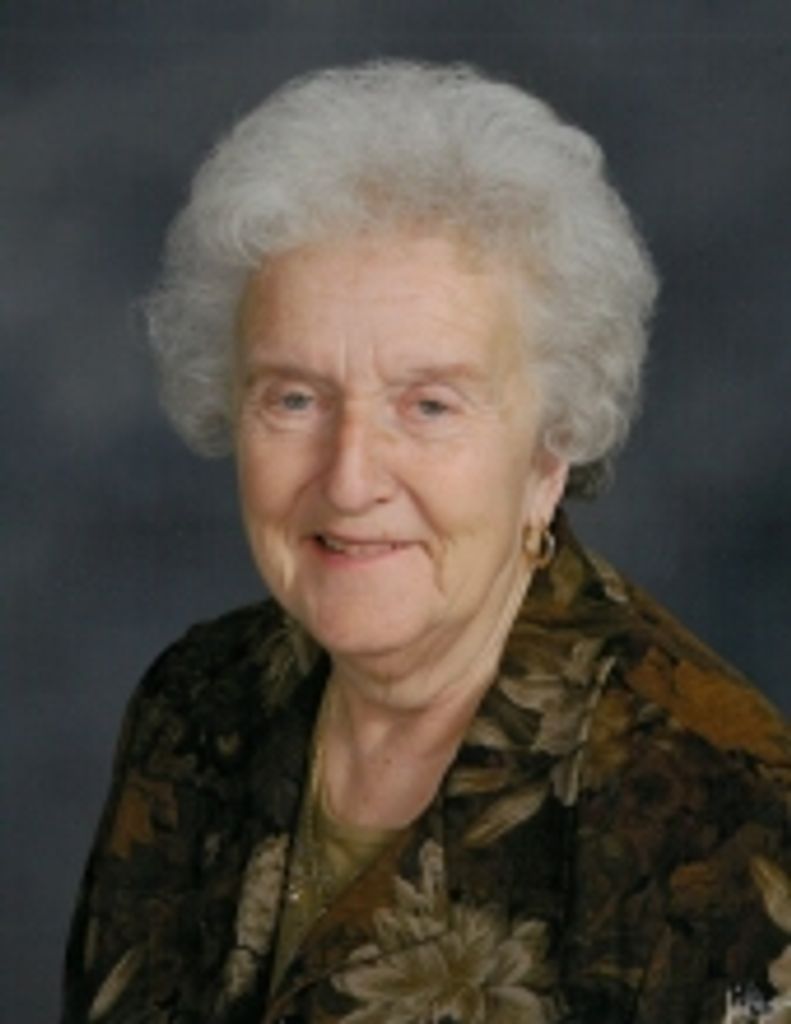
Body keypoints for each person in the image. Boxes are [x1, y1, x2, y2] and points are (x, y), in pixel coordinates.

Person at [61, 61, 790, 1024]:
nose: (349, 477)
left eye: (429, 405)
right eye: (294, 398)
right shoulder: (194, 704)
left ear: (550, 450)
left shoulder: (716, 811)